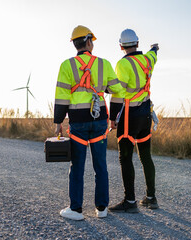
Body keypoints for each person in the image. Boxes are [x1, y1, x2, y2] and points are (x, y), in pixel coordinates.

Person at [54, 25, 123, 220]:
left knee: (77, 166)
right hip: (99, 119)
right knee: (100, 165)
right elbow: (117, 89)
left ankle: (76, 210)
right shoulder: (104, 64)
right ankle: (102, 209)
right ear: (89, 42)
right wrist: (103, 91)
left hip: (78, 122)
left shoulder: (66, 66)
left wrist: (58, 121)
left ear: (75, 44)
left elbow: (61, 96)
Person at [109, 29, 159, 212]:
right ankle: (151, 197)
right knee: (146, 156)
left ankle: (130, 202)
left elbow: (118, 93)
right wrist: (155, 49)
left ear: (121, 46)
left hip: (130, 115)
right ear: (137, 44)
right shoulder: (147, 60)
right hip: (146, 113)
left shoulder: (123, 65)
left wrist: (113, 118)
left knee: (126, 158)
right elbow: (154, 55)